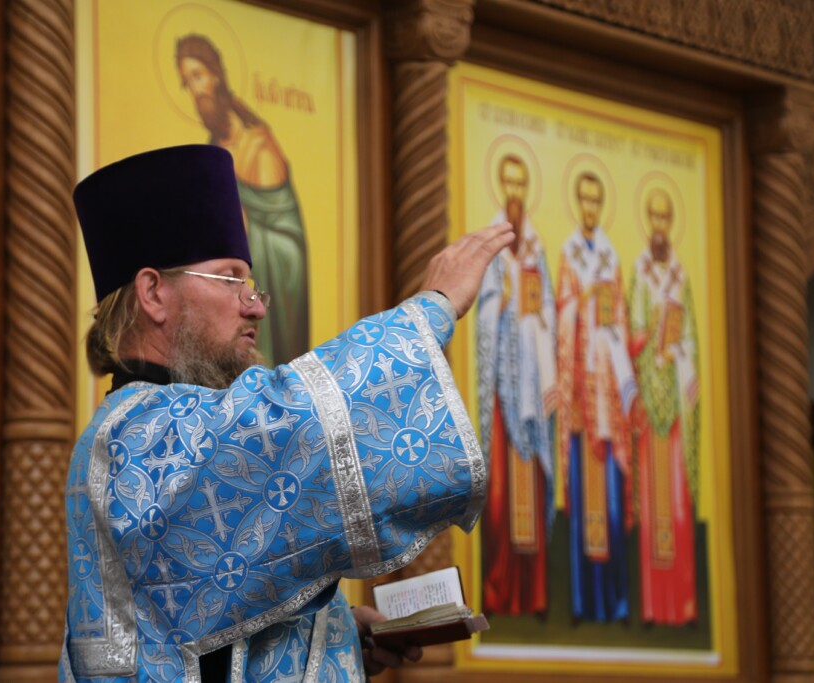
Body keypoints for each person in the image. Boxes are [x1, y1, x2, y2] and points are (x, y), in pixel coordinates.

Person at [61, 145, 513, 683]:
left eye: (252, 285)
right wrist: (431, 308)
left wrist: (337, 635)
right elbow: (295, 423)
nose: (255, 305)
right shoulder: (138, 436)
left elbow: (222, 600)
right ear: (154, 294)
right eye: (231, 279)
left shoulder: (176, 424)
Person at [176, 34, 309, 366]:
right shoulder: (214, 147)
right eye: (187, 82)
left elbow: (289, 246)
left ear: (217, 75)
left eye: (198, 76)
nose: (195, 90)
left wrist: (248, 233)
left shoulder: (259, 147)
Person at [476, 155, 556, 617]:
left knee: (534, 484)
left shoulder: (538, 250)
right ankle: (500, 589)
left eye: (520, 184)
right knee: (503, 491)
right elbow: (482, 309)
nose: (514, 193)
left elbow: (550, 309)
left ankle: (535, 595)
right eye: (507, 182)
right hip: (503, 389)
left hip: (532, 384)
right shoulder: (490, 245)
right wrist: (505, 301)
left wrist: (538, 313)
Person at [556, 171, 637, 624]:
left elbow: (620, 319)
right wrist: (580, 300)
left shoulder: (611, 258)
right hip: (579, 400)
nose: (589, 208)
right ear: (577, 203)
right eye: (583, 200)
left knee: (610, 502)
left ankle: (617, 602)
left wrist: (609, 321)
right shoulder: (568, 255)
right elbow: (559, 314)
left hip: (605, 396)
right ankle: (583, 603)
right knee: (583, 505)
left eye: (595, 201)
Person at [628, 189, 700, 627]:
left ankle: (684, 605)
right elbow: (631, 333)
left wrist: (677, 351)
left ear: (671, 223)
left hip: (673, 403)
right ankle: (655, 607)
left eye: (664, 218)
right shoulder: (639, 273)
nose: (658, 225)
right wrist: (649, 333)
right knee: (653, 502)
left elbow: (691, 338)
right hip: (648, 400)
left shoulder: (680, 277)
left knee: (675, 500)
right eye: (652, 217)